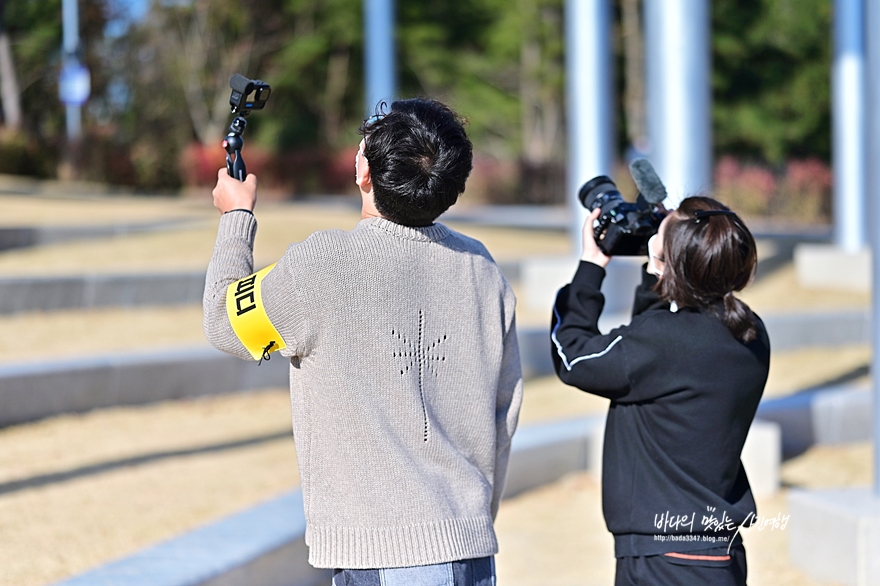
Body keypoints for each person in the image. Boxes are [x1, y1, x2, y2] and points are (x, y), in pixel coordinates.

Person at [203, 98, 522, 585]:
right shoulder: (482, 268)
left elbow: (226, 324)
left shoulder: (325, 263)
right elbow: (505, 414)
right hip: (472, 550)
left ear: (362, 169)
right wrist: (470, 524)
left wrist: (236, 217)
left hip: (384, 557)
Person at [551, 196, 770, 586]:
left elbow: (572, 357)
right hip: (721, 554)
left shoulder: (662, 343)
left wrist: (590, 268)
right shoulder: (752, 333)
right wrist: (662, 268)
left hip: (664, 560)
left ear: (673, 259)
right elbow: (655, 351)